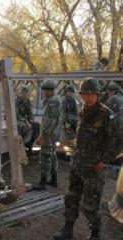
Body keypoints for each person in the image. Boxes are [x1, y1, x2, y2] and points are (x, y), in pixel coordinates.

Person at [53, 77, 116, 240]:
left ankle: (95, 234)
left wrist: (104, 161)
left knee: (90, 206)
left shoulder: (106, 114)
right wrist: (70, 146)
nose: (86, 97)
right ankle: (68, 230)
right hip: (78, 165)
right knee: (71, 199)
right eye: (83, 94)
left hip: (94, 169)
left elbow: (116, 141)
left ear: (96, 94)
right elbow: (83, 137)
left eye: (90, 94)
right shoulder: (82, 111)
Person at [33, 79, 61, 190]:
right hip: (52, 134)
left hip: (48, 135)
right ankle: (54, 180)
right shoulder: (53, 99)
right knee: (52, 156)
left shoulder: (53, 102)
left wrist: (43, 136)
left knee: (44, 156)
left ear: (50, 91)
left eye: (45, 90)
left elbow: (49, 121)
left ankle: (42, 182)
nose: (44, 93)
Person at [15, 84, 40, 155]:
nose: (24, 95)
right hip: (17, 120)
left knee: (37, 126)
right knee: (22, 126)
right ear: (20, 93)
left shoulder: (28, 101)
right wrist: (26, 121)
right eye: (23, 93)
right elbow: (16, 114)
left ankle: (30, 144)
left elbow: (30, 112)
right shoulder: (16, 101)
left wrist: (31, 120)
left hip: (25, 120)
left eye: (26, 93)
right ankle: (20, 146)